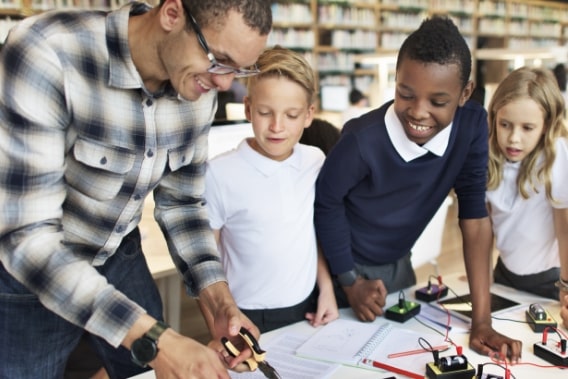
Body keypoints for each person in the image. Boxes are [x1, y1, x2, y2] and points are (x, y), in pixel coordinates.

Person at [0, 1, 272, 378]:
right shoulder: (47, 52)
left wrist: (218, 298)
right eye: (218, 59)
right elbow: (26, 239)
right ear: (172, 14)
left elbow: (182, 202)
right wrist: (157, 339)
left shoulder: (199, 82)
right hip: (26, 272)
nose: (225, 84)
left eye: (239, 69)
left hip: (117, 252)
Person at [314, 16, 522, 361]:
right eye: (405, 94)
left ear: (465, 93)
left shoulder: (471, 126)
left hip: (400, 261)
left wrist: (481, 322)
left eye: (438, 102)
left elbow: (473, 214)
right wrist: (349, 280)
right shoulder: (361, 139)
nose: (418, 113)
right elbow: (326, 201)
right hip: (342, 265)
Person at [204, 46, 338, 334]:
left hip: (308, 305)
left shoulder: (315, 160)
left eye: (291, 115)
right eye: (265, 113)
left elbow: (311, 231)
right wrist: (218, 325)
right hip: (245, 313)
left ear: (308, 115)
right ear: (249, 109)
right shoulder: (219, 173)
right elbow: (204, 263)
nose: (277, 127)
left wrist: (326, 287)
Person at [485, 67, 568, 320]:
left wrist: (566, 286)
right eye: (505, 125)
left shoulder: (556, 156)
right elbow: (485, 225)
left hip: (550, 282)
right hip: (505, 273)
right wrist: (484, 277)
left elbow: (564, 228)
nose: (513, 139)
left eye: (527, 128)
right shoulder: (487, 155)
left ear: (545, 126)